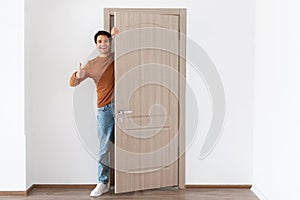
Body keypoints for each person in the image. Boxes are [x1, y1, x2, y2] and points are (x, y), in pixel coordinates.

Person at [69, 27, 119, 197]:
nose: (103, 43)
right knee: (104, 147)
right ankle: (102, 182)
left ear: (110, 43)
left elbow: (128, 47)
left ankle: (128, 182)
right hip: (104, 110)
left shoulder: (117, 57)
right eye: (100, 41)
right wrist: (78, 74)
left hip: (122, 109)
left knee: (127, 145)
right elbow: (72, 83)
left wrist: (117, 35)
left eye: (106, 40)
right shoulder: (92, 64)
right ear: (96, 45)